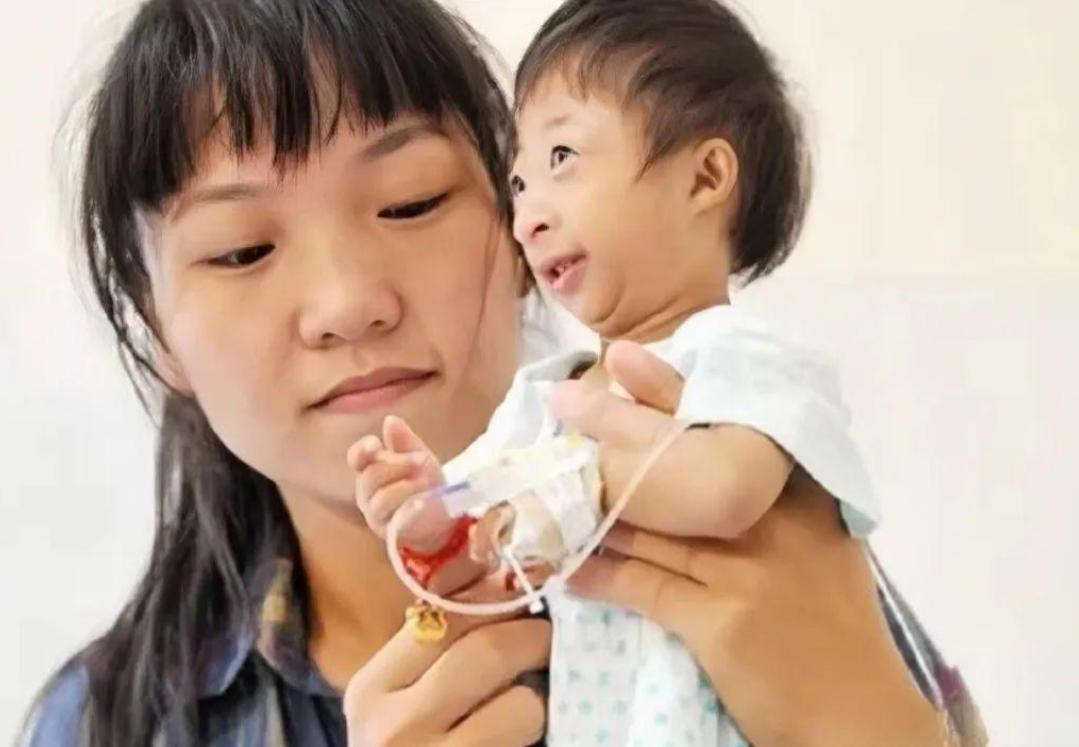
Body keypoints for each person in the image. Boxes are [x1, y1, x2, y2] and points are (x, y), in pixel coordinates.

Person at [21, 0, 984, 745]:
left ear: (522, 236)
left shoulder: (786, 568)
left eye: (410, 201)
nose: (349, 302)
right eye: (241, 250)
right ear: (156, 328)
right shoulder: (102, 723)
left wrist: (857, 717)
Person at [349, 2, 880, 744]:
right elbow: (473, 539)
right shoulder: (547, 395)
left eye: (562, 158)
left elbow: (726, 491)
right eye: (519, 185)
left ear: (706, 177)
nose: (528, 218)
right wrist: (425, 502)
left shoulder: (742, 357)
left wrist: (576, 484)